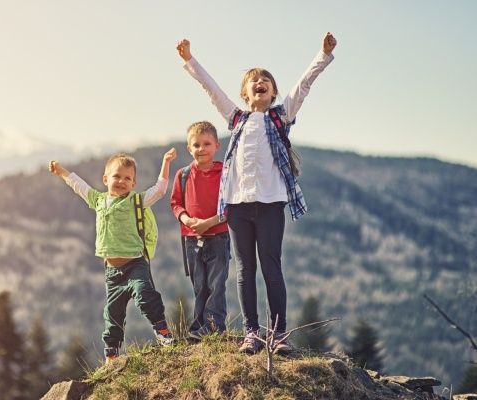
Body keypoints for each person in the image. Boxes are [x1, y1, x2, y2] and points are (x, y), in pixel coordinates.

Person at [176, 32, 337, 354]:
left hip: (270, 204)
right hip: (237, 207)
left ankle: (278, 335)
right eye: (253, 80)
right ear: (244, 94)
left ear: (273, 91)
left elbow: (303, 85)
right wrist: (190, 60)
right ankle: (251, 332)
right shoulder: (235, 118)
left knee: (271, 267)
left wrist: (323, 54)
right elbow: (211, 89)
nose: (259, 82)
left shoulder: (280, 116)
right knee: (245, 269)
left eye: (266, 79)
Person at [49, 148, 177, 363]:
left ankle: (163, 332)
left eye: (128, 178)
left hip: (136, 264)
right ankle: (112, 353)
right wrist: (61, 171)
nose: (121, 181)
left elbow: (160, 190)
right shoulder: (98, 200)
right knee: (113, 313)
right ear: (105, 179)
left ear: (134, 184)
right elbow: (79, 186)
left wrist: (165, 162)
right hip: (112, 272)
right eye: (117, 176)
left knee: (145, 295)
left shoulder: (136, 201)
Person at [170, 121, 230, 339]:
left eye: (206, 144)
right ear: (189, 148)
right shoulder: (183, 175)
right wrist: (186, 219)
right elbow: (176, 203)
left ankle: (214, 326)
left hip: (218, 237)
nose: (201, 149)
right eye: (196, 145)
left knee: (216, 284)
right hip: (192, 240)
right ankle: (198, 328)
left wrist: (210, 222)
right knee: (199, 285)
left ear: (216, 146)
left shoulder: (225, 173)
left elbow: (232, 205)